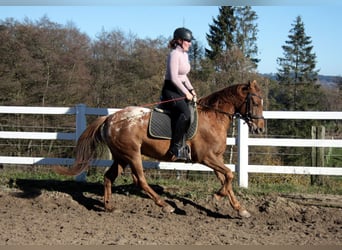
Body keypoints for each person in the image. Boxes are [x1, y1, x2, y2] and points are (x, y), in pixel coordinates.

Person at [160, 27, 197, 161]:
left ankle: (185, 143)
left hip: (180, 89)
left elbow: (184, 76)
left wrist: (192, 89)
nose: (190, 43)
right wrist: (186, 92)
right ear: (180, 41)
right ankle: (175, 147)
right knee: (185, 113)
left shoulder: (185, 55)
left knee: (193, 110)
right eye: (188, 41)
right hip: (170, 90)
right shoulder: (174, 55)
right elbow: (174, 78)